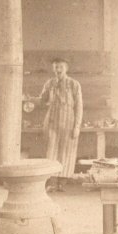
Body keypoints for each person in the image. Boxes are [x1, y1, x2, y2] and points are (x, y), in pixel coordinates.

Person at [39, 58, 83, 191]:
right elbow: (42, 101)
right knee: (51, 152)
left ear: (66, 69)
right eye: (56, 67)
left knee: (66, 152)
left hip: (68, 123)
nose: (58, 70)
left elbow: (79, 107)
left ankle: (62, 184)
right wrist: (40, 97)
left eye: (61, 67)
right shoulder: (49, 83)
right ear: (53, 69)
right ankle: (52, 183)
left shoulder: (74, 84)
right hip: (52, 122)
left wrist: (77, 127)